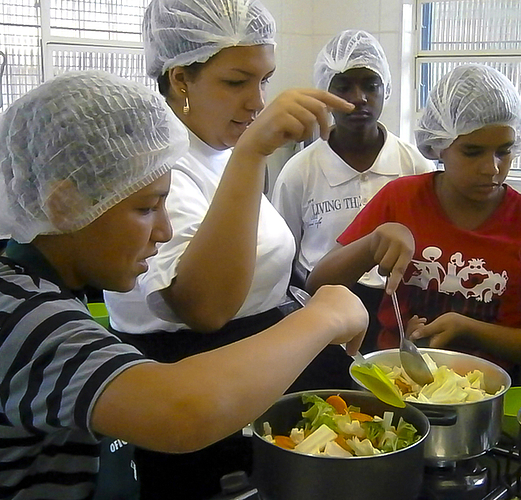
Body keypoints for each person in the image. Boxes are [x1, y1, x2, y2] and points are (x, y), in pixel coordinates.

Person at [0, 71, 367, 500]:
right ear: (63, 205)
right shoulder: (25, 319)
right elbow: (180, 412)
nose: (163, 230)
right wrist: (321, 317)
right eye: (146, 208)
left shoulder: (7, 285)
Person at [101, 0, 360, 497]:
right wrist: (252, 153)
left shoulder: (218, 151)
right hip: (195, 387)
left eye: (265, 80)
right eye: (237, 81)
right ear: (180, 78)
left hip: (257, 372)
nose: (258, 101)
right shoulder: (156, 166)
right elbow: (205, 307)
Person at [307, 64, 521, 379]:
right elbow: (319, 285)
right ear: (440, 144)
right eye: (472, 152)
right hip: (395, 389)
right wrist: (371, 245)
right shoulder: (401, 198)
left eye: (504, 152)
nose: (491, 169)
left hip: (482, 401)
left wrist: (468, 329)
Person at [271, 29, 435, 353]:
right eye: (343, 86)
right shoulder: (299, 172)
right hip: (322, 309)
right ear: (325, 92)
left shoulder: (414, 165)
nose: (358, 97)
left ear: (385, 88)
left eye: (370, 85)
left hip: (400, 310)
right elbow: (284, 258)